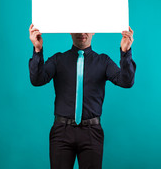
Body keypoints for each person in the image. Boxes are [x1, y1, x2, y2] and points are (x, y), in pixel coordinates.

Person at [28, 24, 136, 169]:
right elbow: (37, 80)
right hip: (62, 132)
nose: (82, 32)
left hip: (92, 132)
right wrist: (37, 49)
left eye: (87, 27)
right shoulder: (58, 59)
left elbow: (126, 81)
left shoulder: (103, 61)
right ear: (70, 31)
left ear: (94, 31)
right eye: (78, 27)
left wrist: (125, 52)